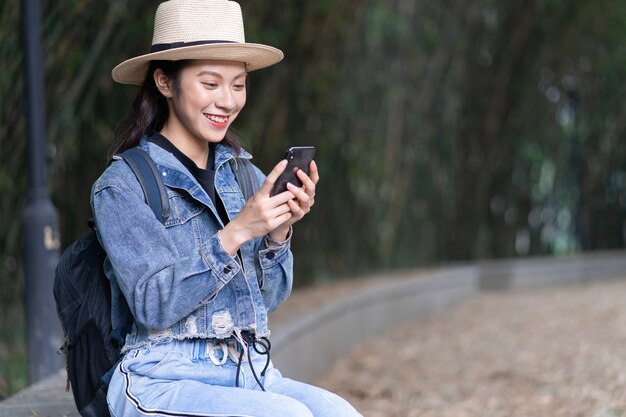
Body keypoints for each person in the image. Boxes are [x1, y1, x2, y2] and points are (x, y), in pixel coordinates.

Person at [91, 0, 362, 416]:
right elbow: (152, 304)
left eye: (238, 85)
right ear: (165, 82)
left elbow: (269, 298)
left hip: (250, 370)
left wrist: (277, 233)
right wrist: (236, 231)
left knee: (339, 413)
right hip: (159, 378)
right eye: (210, 83)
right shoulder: (123, 185)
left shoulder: (243, 174)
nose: (228, 100)